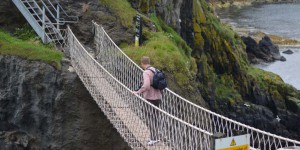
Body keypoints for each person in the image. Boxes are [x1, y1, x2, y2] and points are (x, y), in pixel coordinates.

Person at [132, 56, 162, 145]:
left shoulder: (146, 72)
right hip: (158, 98)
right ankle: (157, 137)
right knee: (155, 117)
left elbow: (146, 86)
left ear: (142, 63)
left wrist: (138, 92)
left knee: (149, 118)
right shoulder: (156, 70)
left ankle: (153, 138)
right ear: (149, 62)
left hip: (150, 98)